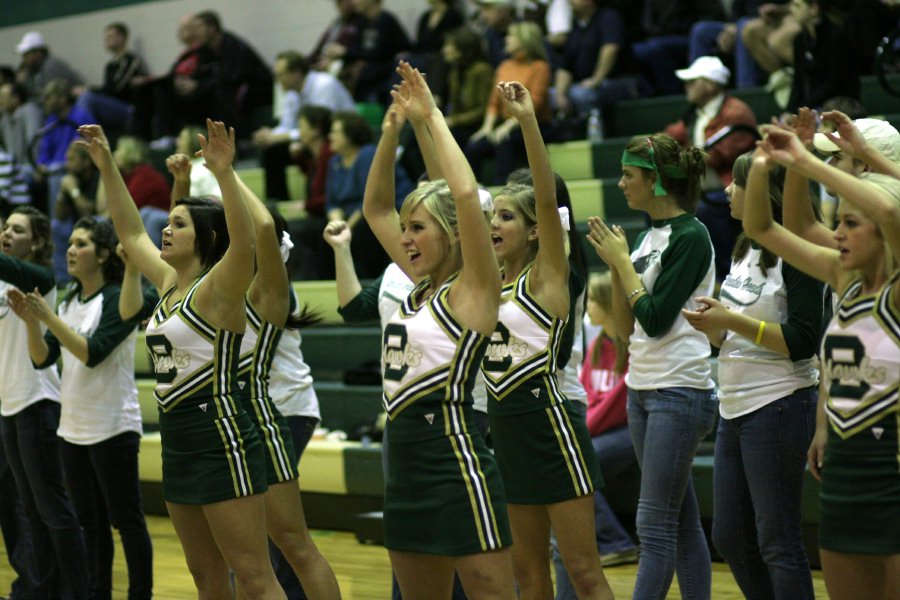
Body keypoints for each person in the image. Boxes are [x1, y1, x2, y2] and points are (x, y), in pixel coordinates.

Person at [80, 119, 286, 599]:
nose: (165, 231)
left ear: (204, 239)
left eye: (178, 225)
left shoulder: (218, 289)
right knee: (205, 577)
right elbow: (130, 233)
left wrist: (224, 173)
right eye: (168, 222)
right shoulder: (170, 284)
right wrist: (107, 161)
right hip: (178, 443)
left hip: (222, 438)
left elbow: (247, 241)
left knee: (254, 576)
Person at [363, 60, 516, 599]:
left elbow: (468, 194)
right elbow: (375, 206)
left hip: (455, 461)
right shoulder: (414, 286)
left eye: (418, 228)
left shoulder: (473, 289)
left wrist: (432, 117)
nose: (404, 238)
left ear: (451, 235)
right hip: (401, 466)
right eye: (404, 229)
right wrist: (389, 133)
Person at [743, 122, 900, 600]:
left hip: (890, 470)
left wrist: (811, 162)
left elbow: (891, 206)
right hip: (845, 473)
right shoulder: (842, 277)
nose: (836, 233)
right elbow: (762, 227)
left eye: (851, 223)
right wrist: (766, 167)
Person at [480, 80, 614, 600]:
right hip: (504, 434)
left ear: (537, 230)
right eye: (493, 217)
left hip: (552, 429)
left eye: (507, 217)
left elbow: (544, 189)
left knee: (582, 572)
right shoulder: (487, 282)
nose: (494, 224)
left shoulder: (548, 278)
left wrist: (527, 123)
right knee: (528, 575)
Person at [682, 152, 823, 600]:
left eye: (738, 183)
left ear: (768, 192)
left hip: (780, 402)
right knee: (730, 536)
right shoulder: (745, 247)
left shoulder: (798, 253)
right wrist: (716, 327)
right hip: (734, 403)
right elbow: (737, 333)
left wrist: (733, 321)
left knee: (778, 540)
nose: (726, 190)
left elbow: (803, 339)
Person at [586, 133, 717, 600]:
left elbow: (659, 321)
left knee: (654, 523)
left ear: (657, 183)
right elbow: (627, 329)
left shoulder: (692, 236)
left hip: (679, 390)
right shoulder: (643, 238)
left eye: (629, 175)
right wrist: (617, 266)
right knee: (678, 520)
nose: (621, 183)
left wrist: (624, 267)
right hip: (642, 387)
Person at [9, 217, 154, 600]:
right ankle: (96, 594)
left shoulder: (116, 297)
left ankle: (140, 594)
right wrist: (29, 323)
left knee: (127, 522)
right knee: (90, 523)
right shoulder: (73, 298)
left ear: (104, 255)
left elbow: (92, 353)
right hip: (72, 429)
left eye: (82, 244)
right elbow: (43, 360)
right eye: (70, 243)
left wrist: (47, 317)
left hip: (113, 426)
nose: (71, 250)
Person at [230, 179, 342, 600]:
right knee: (251, 546)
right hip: (244, 415)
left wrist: (228, 174)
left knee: (282, 540)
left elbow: (263, 228)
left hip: (283, 409)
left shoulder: (268, 283)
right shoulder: (225, 283)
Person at [0, 206, 90, 599]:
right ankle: (39, 588)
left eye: (16, 230)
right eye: (5, 227)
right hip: (8, 407)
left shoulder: (42, 280)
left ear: (36, 241)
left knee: (52, 510)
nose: (6, 233)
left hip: (38, 403)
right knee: (26, 512)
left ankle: (77, 591)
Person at [554, 272, 639, 600]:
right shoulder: (594, 346)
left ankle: (615, 543)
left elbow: (617, 406)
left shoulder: (626, 347)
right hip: (597, 430)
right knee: (573, 467)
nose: (586, 305)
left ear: (606, 304)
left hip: (627, 433)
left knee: (578, 463)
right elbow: (588, 393)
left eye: (591, 299)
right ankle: (614, 543)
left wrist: (581, 432)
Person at [664, 55, 758, 281]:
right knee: (661, 200)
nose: (687, 86)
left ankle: (725, 275)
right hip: (701, 191)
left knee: (706, 211)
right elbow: (671, 136)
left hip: (730, 191)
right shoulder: (696, 113)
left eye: (692, 81)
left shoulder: (736, 113)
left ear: (710, 84)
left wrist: (682, 157)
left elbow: (715, 156)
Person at [253, 50, 354, 201]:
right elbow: (287, 126)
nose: (278, 80)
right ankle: (277, 203)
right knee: (272, 150)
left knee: (310, 148)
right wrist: (270, 134)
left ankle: (319, 199)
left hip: (342, 137)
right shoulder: (291, 93)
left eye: (281, 74)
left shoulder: (323, 84)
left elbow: (321, 128)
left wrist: (283, 138)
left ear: (297, 73)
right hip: (313, 139)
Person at [327, 110, 412, 279]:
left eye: (335, 132)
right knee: (321, 231)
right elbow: (332, 202)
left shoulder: (367, 154)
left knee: (360, 232)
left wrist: (348, 226)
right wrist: (336, 223)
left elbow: (372, 199)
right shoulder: (334, 161)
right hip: (355, 215)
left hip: (389, 209)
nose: (330, 136)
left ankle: (368, 280)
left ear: (350, 134)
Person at [466, 21, 552, 184]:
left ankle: (502, 188)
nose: (507, 40)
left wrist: (509, 125)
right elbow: (494, 101)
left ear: (524, 40)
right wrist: (487, 127)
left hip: (534, 124)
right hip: (506, 123)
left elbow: (535, 102)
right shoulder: (504, 66)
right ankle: (473, 188)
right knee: (475, 144)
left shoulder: (540, 67)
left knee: (506, 140)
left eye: (511, 36)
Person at [75, 22, 148, 136]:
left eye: (110, 36)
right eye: (106, 37)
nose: (106, 40)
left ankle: (92, 139)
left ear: (121, 38)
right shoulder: (110, 66)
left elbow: (116, 90)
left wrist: (89, 89)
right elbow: (108, 90)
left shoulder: (131, 61)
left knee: (87, 98)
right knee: (83, 100)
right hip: (113, 106)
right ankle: (82, 137)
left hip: (127, 107)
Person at [111, 136, 172, 248]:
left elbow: (127, 209)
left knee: (146, 214)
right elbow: (101, 207)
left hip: (163, 219)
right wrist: (105, 171)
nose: (114, 154)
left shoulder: (144, 174)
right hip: (143, 218)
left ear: (129, 153)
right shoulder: (125, 176)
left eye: (118, 150)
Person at [441, 26, 494, 148]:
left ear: (462, 49)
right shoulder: (455, 70)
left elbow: (483, 109)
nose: (444, 50)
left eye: (448, 46)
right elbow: (455, 104)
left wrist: (454, 121)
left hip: (477, 124)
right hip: (461, 122)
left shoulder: (482, 71)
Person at [14, 31, 83, 99]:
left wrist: (26, 83)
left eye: (26, 55)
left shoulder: (51, 66)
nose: (24, 60)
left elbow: (48, 98)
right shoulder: (33, 69)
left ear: (38, 53)